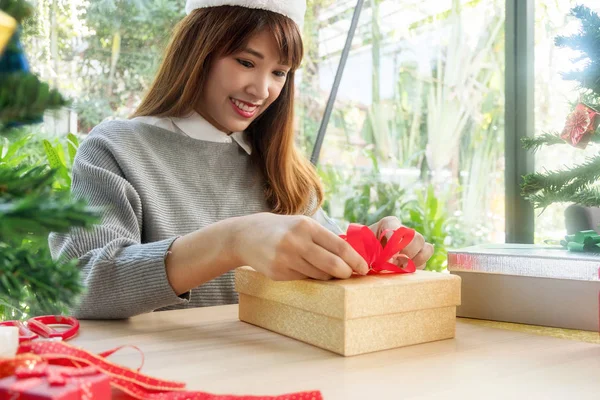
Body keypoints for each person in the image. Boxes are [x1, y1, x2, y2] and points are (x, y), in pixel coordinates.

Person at [49, 0, 434, 320]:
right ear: (198, 51)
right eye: (246, 62)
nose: (262, 90)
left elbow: (319, 256)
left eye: (279, 72)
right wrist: (234, 241)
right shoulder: (117, 148)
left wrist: (370, 246)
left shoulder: (282, 167)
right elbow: (77, 287)